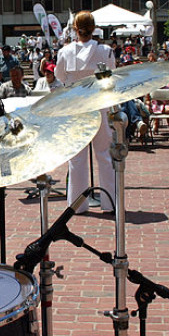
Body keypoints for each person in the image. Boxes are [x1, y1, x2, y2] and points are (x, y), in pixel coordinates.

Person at [55, 11, 116, 214]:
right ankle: (110, 202)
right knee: (105, 155)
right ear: (94, 27)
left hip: (76, 107)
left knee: (76, 159)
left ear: (75, 28)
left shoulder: (65, 52)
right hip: (98, 105)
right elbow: (111, 74)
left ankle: (77, 205)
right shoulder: (105, 51)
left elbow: (60, 76)